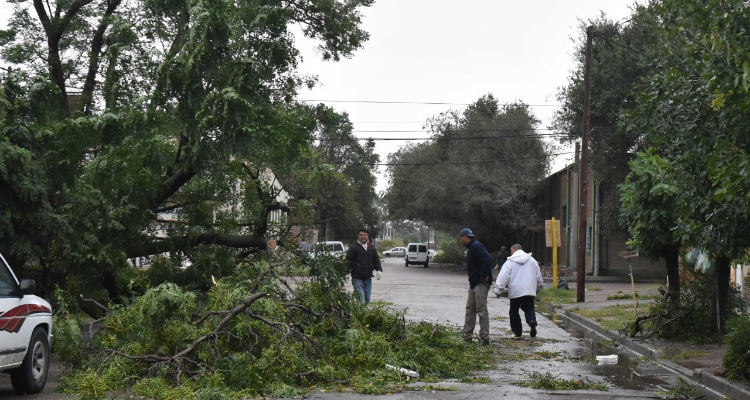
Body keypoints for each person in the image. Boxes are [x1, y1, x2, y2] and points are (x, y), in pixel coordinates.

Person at [495, 243, 543, 338]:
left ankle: (517, 332)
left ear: (513, 250)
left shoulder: (510, 262)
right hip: (529, 290)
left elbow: (503, 277)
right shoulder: (532, 261)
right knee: (529, 307)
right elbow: (539, 277)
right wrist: (539, 288)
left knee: (514, 311)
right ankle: (531, 321)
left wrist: (498, 290)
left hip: (515, 291)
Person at [459, 227, 493, 345]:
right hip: (474, 284)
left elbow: (488, 259)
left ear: (466, 237)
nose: (461, 240)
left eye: (462, 238)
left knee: (481, 310)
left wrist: (485, 276)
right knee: (470, 309)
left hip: (480, 284)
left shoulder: (476, 246)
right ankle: (467, 335)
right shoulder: (471, 247)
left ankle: (484, 337)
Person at [345, 228, 382, 304]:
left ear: (367, 236)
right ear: (358, 236)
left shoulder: (371, 247)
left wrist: (378, 269)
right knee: (361, 300)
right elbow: (348, 260)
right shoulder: (353, 247)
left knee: (367, 299)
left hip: (368, 277)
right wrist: (345, 272)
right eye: (361, 235)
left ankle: (359, 313)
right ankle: (359, 314)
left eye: (365, 235)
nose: (363, 236)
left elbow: (376, 259)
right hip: (357, 278)